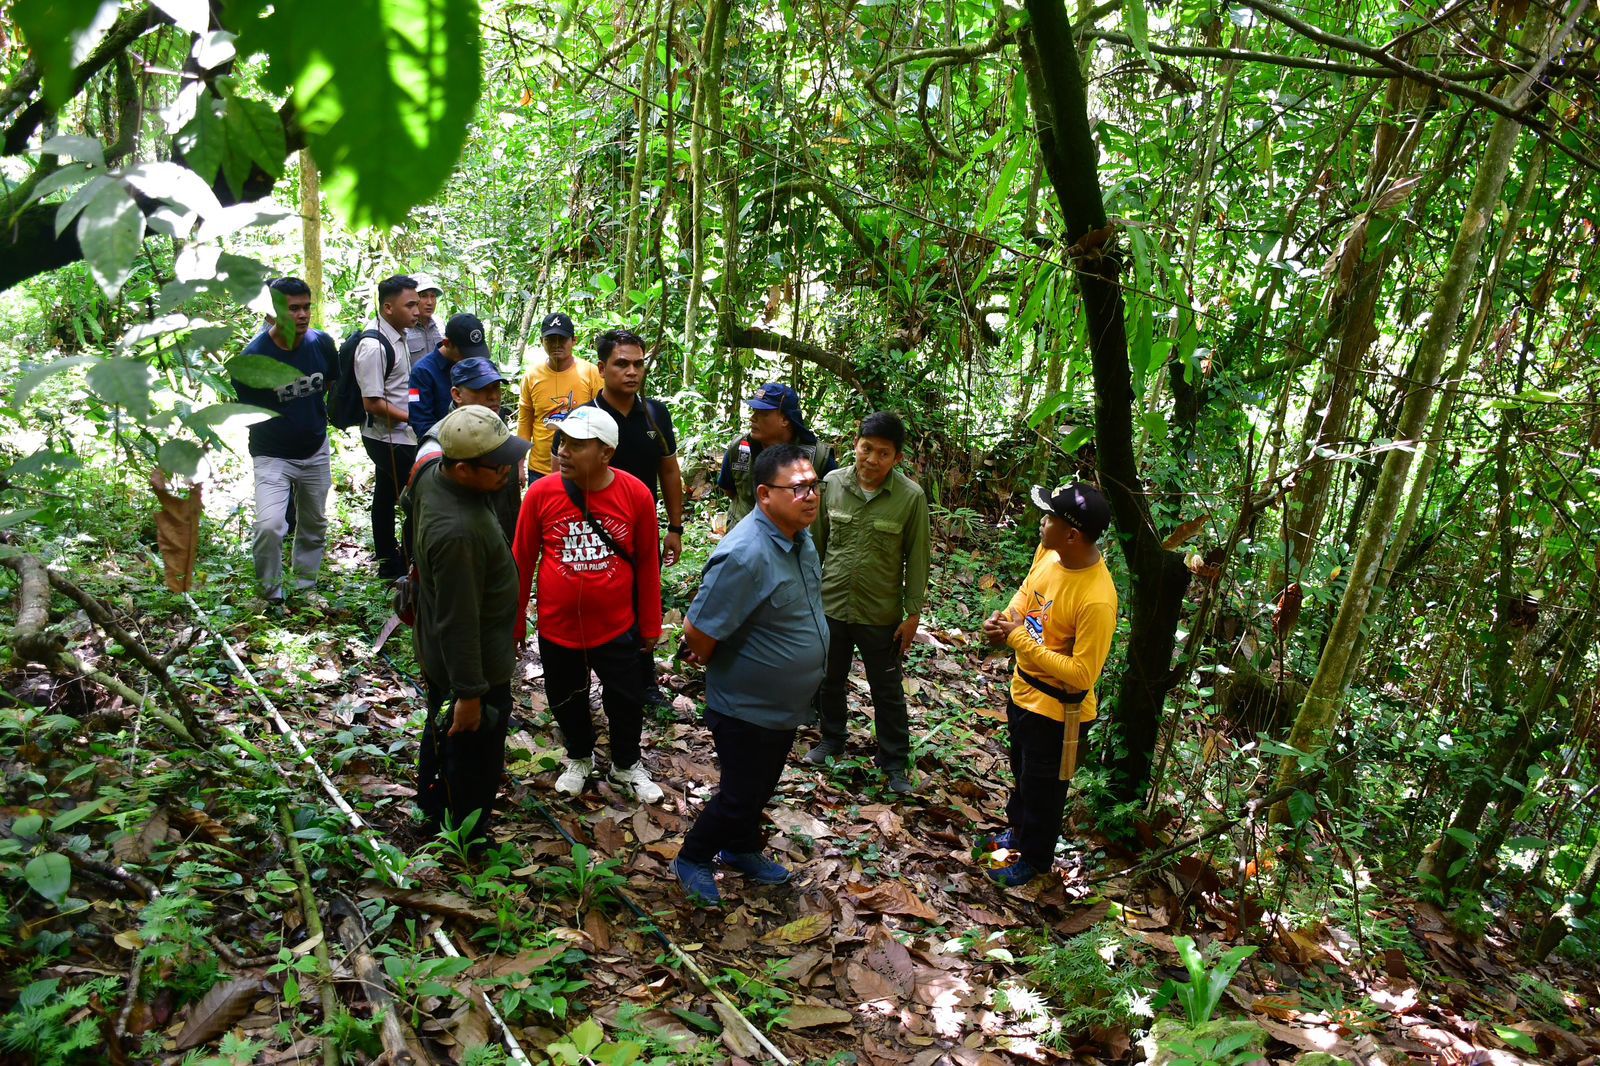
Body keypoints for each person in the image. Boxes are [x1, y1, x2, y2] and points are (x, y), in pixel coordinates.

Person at [672, 444, 828, 906]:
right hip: (745, 707)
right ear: (764, 494)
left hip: (782, 706)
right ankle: (693, 856)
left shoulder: (799, 537)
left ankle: (739, 848)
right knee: (740, 794)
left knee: (762, 785)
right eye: (797, 488)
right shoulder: (744, 554)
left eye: (814, 485)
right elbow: (698, 632)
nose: (810, 495)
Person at [513, 406, 665, 805]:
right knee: (566, 696)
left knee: (626, 698)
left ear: (606, 453)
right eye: (563, 441)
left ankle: (626, 765)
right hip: (557, 626)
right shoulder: (541, 494)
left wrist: (651, 624)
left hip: (617, 625)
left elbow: (647, 563)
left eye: (577, 445)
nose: (563, 451)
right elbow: (522, 560)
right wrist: (515, 623)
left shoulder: (635, 494)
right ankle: (579, 757)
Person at [981, 483, 1118, 887]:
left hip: (1059, 714)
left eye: (1049, 518)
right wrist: (1005, 619)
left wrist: (1017, 638)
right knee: (1022, 773)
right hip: (1023, 692)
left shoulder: (1096, 599)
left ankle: (1035, 861)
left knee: (1045, 790)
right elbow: (1028, 591)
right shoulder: (1050, 553)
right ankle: (1019, 832)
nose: (1042, 522)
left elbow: (1082, 674)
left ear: (1072, 534)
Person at [410, 405, 532, 847]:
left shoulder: (432, 474)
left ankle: (432, 807)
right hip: (471, 663)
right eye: (497, 466)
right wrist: (470, 694)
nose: (508, 471)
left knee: (444, 733)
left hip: (445, 650)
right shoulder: (458, 533)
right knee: (473, 750)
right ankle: (466, 836)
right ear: (463, 469)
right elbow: (459, 621)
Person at [807, 412, 931, 795]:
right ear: (855, 445)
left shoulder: (910, 497)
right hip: (832, 604)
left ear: (897, 458)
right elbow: (814, 546)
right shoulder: (831, 484)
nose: (872, 460)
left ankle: (893, 761)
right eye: (866, 449)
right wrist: (806, 597)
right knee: (829, 678)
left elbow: (918, 557)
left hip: (880, 613)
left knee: (887, 689)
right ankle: (832, 739)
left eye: (883, 453)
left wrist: (913, 614)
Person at [584, 328, 686, 707]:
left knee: (644, 604)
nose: (631, 372)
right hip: (595, 532)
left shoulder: (654, 414)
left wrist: (675, 527)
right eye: (621, 364)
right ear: (602, 368)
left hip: (642, 530)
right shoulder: (587, 417)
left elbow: (669, 470)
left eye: (638, 364)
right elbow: (567, 478)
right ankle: (591, 679)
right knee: (597, 605)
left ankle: (644, 682)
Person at [231, 277, 336, 607]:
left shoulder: (322, 344)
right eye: (293, 309)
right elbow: (249, 411)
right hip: (272, 454)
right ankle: (270, 593)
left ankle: (306, 585)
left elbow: (328, 384)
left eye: (306, 307)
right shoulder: (254, 359)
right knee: (270, 525)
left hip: (315, 448)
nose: (302, 315)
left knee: (314, 522)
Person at [413, 355, 520, 544]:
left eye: (496, 387)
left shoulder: (497, 427)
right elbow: (428, 508)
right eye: (482, 389)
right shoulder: (437, 444)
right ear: (457, 395)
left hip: (503, 542)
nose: (493, 396)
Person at [356, 274, 421, 578]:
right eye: (410, 305)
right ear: (388, 307)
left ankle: (388, 559)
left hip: (400, 433)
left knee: (385, 494)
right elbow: (372, 402)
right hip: (387, 437)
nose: (417, 311)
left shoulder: (399, 335)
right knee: (418, 496)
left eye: (417, 304)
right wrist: (412, 418)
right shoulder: (374, 346)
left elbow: (401, 385)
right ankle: (404, 562)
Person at [717, 382, 837, 531]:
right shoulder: (740, 447)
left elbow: (831, 505)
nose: (753, 418)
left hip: (796, 537)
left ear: (785, 420)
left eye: (763, 414)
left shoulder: (818, 457)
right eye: (754, 411)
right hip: (744, 535)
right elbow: (728, 489)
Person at [516, 312, 603, 480]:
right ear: (541, 341)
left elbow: (601, 419)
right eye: (550, 339)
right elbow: (525, 422)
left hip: (579, 466)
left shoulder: (591, 373)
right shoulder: (532, 376)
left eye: (562, 339)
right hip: (540, 468)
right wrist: (520, 465)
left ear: (574, 340)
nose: (556, 345)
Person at [410, 312, 488, 440]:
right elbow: (420, 422)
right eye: (465, 353)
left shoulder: (474, 364)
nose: (470, 359)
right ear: (447, 343)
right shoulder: (421, 372)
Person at [405, 272, 445, 365]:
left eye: (433, 296)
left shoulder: (440, 325)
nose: (430, 302)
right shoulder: (403, 328)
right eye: (423, 296)